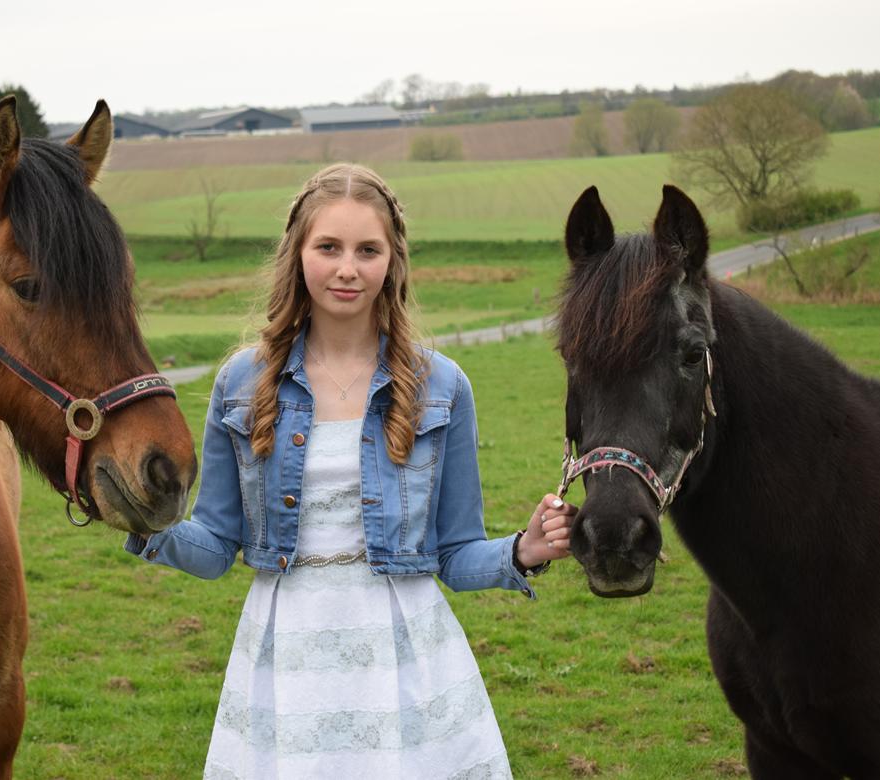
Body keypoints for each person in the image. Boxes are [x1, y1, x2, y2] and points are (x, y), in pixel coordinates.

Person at [125, 163, 575, 778]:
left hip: (406, 657)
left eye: (368, 250)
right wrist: (144, 521)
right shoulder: (240, 382)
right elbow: (213, 548)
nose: (347, 269)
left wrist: (523, 550)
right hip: (286, 658)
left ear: (393, 260)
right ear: (298, 253)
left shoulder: (441, 387)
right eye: (328, 247)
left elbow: (457, 552)